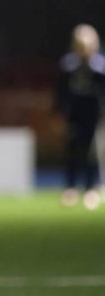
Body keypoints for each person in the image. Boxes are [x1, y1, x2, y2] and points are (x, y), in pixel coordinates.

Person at [56, 23, 105, 210]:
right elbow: (60, 92)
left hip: (94, 116)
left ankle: (91, 189)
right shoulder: (68, 66)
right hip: (74, 116)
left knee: (93, 154)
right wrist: (60, 114)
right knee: (72, 151)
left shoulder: (100, 68)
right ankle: (70, 188)